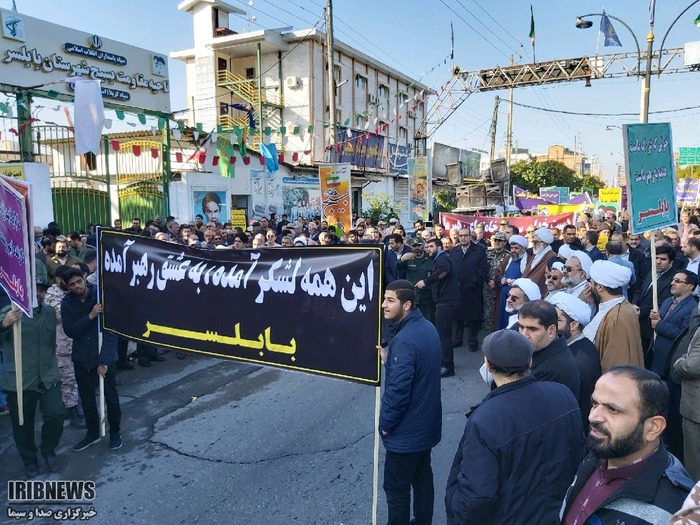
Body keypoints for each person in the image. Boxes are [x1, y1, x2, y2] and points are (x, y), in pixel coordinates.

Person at [445, 330, 583, 525]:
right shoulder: (563, 394)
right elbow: (578, 452)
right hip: (558, 513)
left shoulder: (485, 420)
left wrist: (455, 508)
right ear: (529, 362)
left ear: (487, 364)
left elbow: (476, 497)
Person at [560, 366, 694, 525]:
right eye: (595, 404)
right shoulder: (598, 456)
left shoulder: (676, 509)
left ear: (653, 427)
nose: (593, 417)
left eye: (613, 409)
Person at [378, 280, 441, 525]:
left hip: (406, 434)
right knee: (422, 479)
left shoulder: (405, 340)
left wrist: (386, 425)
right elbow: (417, 367)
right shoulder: (426, 327)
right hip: (425, 427)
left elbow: (398, 391)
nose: (384, 305)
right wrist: (390, 360)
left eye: (390, 300)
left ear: (406, 304)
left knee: (396, 489)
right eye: (384, 299)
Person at [0, 276, 65, 477]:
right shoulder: (10, 311)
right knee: (22, 423)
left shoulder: (49, 313)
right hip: (19, 377)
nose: (38, 293)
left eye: (42, 290)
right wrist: (4, 324)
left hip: (47, 375)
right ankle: (29, 459)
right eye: (33, 289)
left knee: (56, 414)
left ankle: (48, 449)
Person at [61, 268, 123, 451]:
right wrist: (90, 316)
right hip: (82, 358)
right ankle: (92, 433)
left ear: (84, 278)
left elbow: (112, 331)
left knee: (111, 397)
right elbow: (70, 331)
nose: (77, 286)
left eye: (78, 281)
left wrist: (104, 362)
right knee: (87, 399)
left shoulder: (101, 295)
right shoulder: (67, 303)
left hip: (104, 356)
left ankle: (115, 433)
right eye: (72, 284)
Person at [546, 292, 601, 430]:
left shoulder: (577, 359)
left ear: (574, 325)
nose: (550, 326)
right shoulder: (581, 346)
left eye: (557, 320)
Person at [583, 260, 643, 371]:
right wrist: (591, 302)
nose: (589, 286)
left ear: (600, 287)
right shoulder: (617, 307)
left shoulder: (618, 316)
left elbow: (616, 360)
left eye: (591, 283)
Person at [517, 300, 581, 400]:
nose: (524, 335)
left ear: (551, 331)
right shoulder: (542, 351)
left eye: (532, 329)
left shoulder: (552, 371)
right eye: (521, 327)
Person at [416, 238, 460, 378]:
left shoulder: (442, 259)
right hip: (444, 301)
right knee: (443, 334)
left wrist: (426, 281)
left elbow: (443, 271)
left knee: (444, 335)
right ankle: (444, 362)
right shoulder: (439, 259)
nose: (428, 249)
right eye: (427, 247)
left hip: (446, 302)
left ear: (439, 247)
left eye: (431, 246)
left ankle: (448, 366)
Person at [649, 270, 698, 378]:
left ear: (690, 286)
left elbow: (683, 334)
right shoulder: (668, 301)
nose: (672, 283)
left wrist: (659, 324)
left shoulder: (692, 307)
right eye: (673, 280)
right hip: (655, 354)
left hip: (668, 360)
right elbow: (659, 321)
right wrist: (654, 317)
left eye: (677, 281)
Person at [450, 227, 489, 352]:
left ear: (470, 236)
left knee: (473, 317)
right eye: (460, 235)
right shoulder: (453, 251)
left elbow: (483, 269)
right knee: (457, 315)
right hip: (457, 289)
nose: (463, 238)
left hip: (473, 289)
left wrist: (475, 282)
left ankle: (473, 341)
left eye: (465, 235)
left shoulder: (479, 250)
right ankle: (457, 339)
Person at [634, 243, 676, 354]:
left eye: (663, 259)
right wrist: (633, 305)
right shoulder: (652, 272)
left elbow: (661, 303)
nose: (658, 262)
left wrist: (640, 311)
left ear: (671, 262)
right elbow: (640, 290)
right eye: (656, 258)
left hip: (650, 327)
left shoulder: (673, 279)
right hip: (638, 323)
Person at [674, 318, 700, 481]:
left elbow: (691, 366)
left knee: (694, 460)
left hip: (695, 408)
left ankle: (693, 493)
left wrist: (680, 363)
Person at [397, 237, 436, 324]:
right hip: (413, 297)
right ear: (410, 247)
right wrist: (402, 259)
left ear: (423, 245)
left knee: (428, 322)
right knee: (412, 322)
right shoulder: (408, 259)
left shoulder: (430, 259)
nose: (416, 248)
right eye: (414, 246)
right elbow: (397, 266)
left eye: (419, 245)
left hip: (428, 297)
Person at [494, 234, 528, 329]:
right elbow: (498, 273)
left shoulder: (528, 261)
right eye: (512, 248)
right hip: (504, 297)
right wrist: (502, 279)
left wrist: (517, 282)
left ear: (523, 249)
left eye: (516, 248)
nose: (513, 250)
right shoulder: (508, 259)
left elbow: (530, 278)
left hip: (517, 299)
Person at [523, 227, 558, 297]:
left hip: (539, 294)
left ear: (544, 243)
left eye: (536, 242)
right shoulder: (537, 254)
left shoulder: (552, 256)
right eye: (533, 242)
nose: (533, 244)